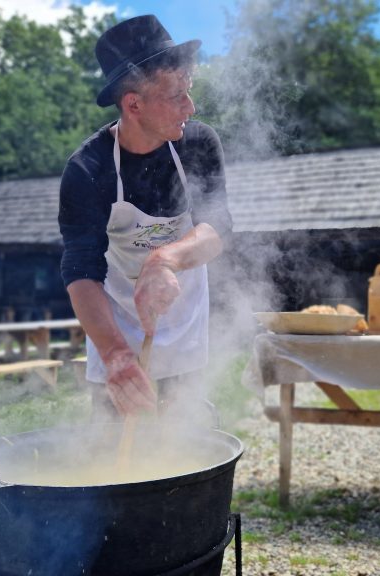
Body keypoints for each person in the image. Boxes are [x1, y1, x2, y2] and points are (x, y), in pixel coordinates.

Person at [58, 15, 232, 418]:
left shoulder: (198, 143)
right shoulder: (88, 170)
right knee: (115, 446)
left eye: (189, 92)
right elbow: (80, 271)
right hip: (115, 323)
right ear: (133, 104)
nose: (191, 106)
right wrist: (116, 354)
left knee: (184, 441)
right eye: (176, 96)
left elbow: (218, 228)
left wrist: (163, 259)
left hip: (183, 317)